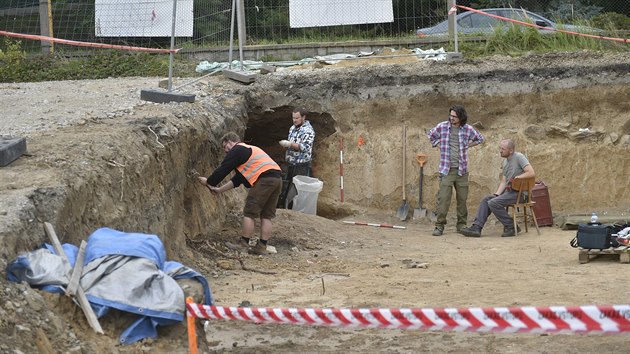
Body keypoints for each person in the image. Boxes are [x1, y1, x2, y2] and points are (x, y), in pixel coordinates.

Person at [197, 132, 283, 255]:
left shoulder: (238, 149)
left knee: (249, 213)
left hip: (264, 180)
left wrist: (209, 181)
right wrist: (219, 190)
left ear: (230, 142)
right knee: (266, 215)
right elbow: (238, 179)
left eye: (225, 147)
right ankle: (262, 247)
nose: (225, 151)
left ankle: (243, 244)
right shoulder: (249, 151)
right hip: (277, 180)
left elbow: (224, 168)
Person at [427, 104, 484, 236]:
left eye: (454, 116)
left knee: (462, 199)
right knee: (444, 199)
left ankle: (461, 225)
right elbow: (430, 135)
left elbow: (480, 138)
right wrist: (438, 144)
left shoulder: (467, 129)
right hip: (447, 170)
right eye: (450, 115)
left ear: (461, 117)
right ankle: (439, 226)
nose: (451, 118)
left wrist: (468, 145)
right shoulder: (442, 126)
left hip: (462, 171)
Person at [460, 138, 535, 238]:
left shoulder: (519, 157)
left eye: (503, 149)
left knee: (493, 202)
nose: (500, 150)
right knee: (487, 199)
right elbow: (504, 181)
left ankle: (511, 226)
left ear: (511, 150)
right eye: (500, 148)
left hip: (521, 194)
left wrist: (517, 178)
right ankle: (476, 228)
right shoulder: (505, 162)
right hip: (510, 192)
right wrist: (496, 195)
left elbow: (531, 173)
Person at [277, 107, 315, 208]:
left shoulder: (308, 131)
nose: (294, 120)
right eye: (293, 118)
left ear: (303, 117)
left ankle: (294, 209)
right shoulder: (292, 128)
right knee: (286, 186)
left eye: (297, 118)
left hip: (302, 165)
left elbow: (304, 147)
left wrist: (289, 144)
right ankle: (284, 207)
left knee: (297, 188)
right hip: (290, 163)